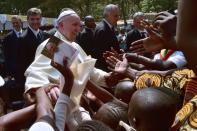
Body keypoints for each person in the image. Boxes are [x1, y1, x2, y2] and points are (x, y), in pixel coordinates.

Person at [18, 7, 48, 88]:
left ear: (41, 19)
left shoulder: (46, 35)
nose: (35, 21)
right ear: (28, 20)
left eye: (37, 19)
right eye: (32, 19)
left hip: (46, 75)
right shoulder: (22, 38)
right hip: (32, 78)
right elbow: (22, 63)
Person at [93, 4, 120, 71]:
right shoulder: (102, 30)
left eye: (118, 15)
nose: (118, 18)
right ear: (107, 15)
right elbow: (102, 54)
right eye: (116, 16)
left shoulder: (109, 27)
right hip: (107, 69)